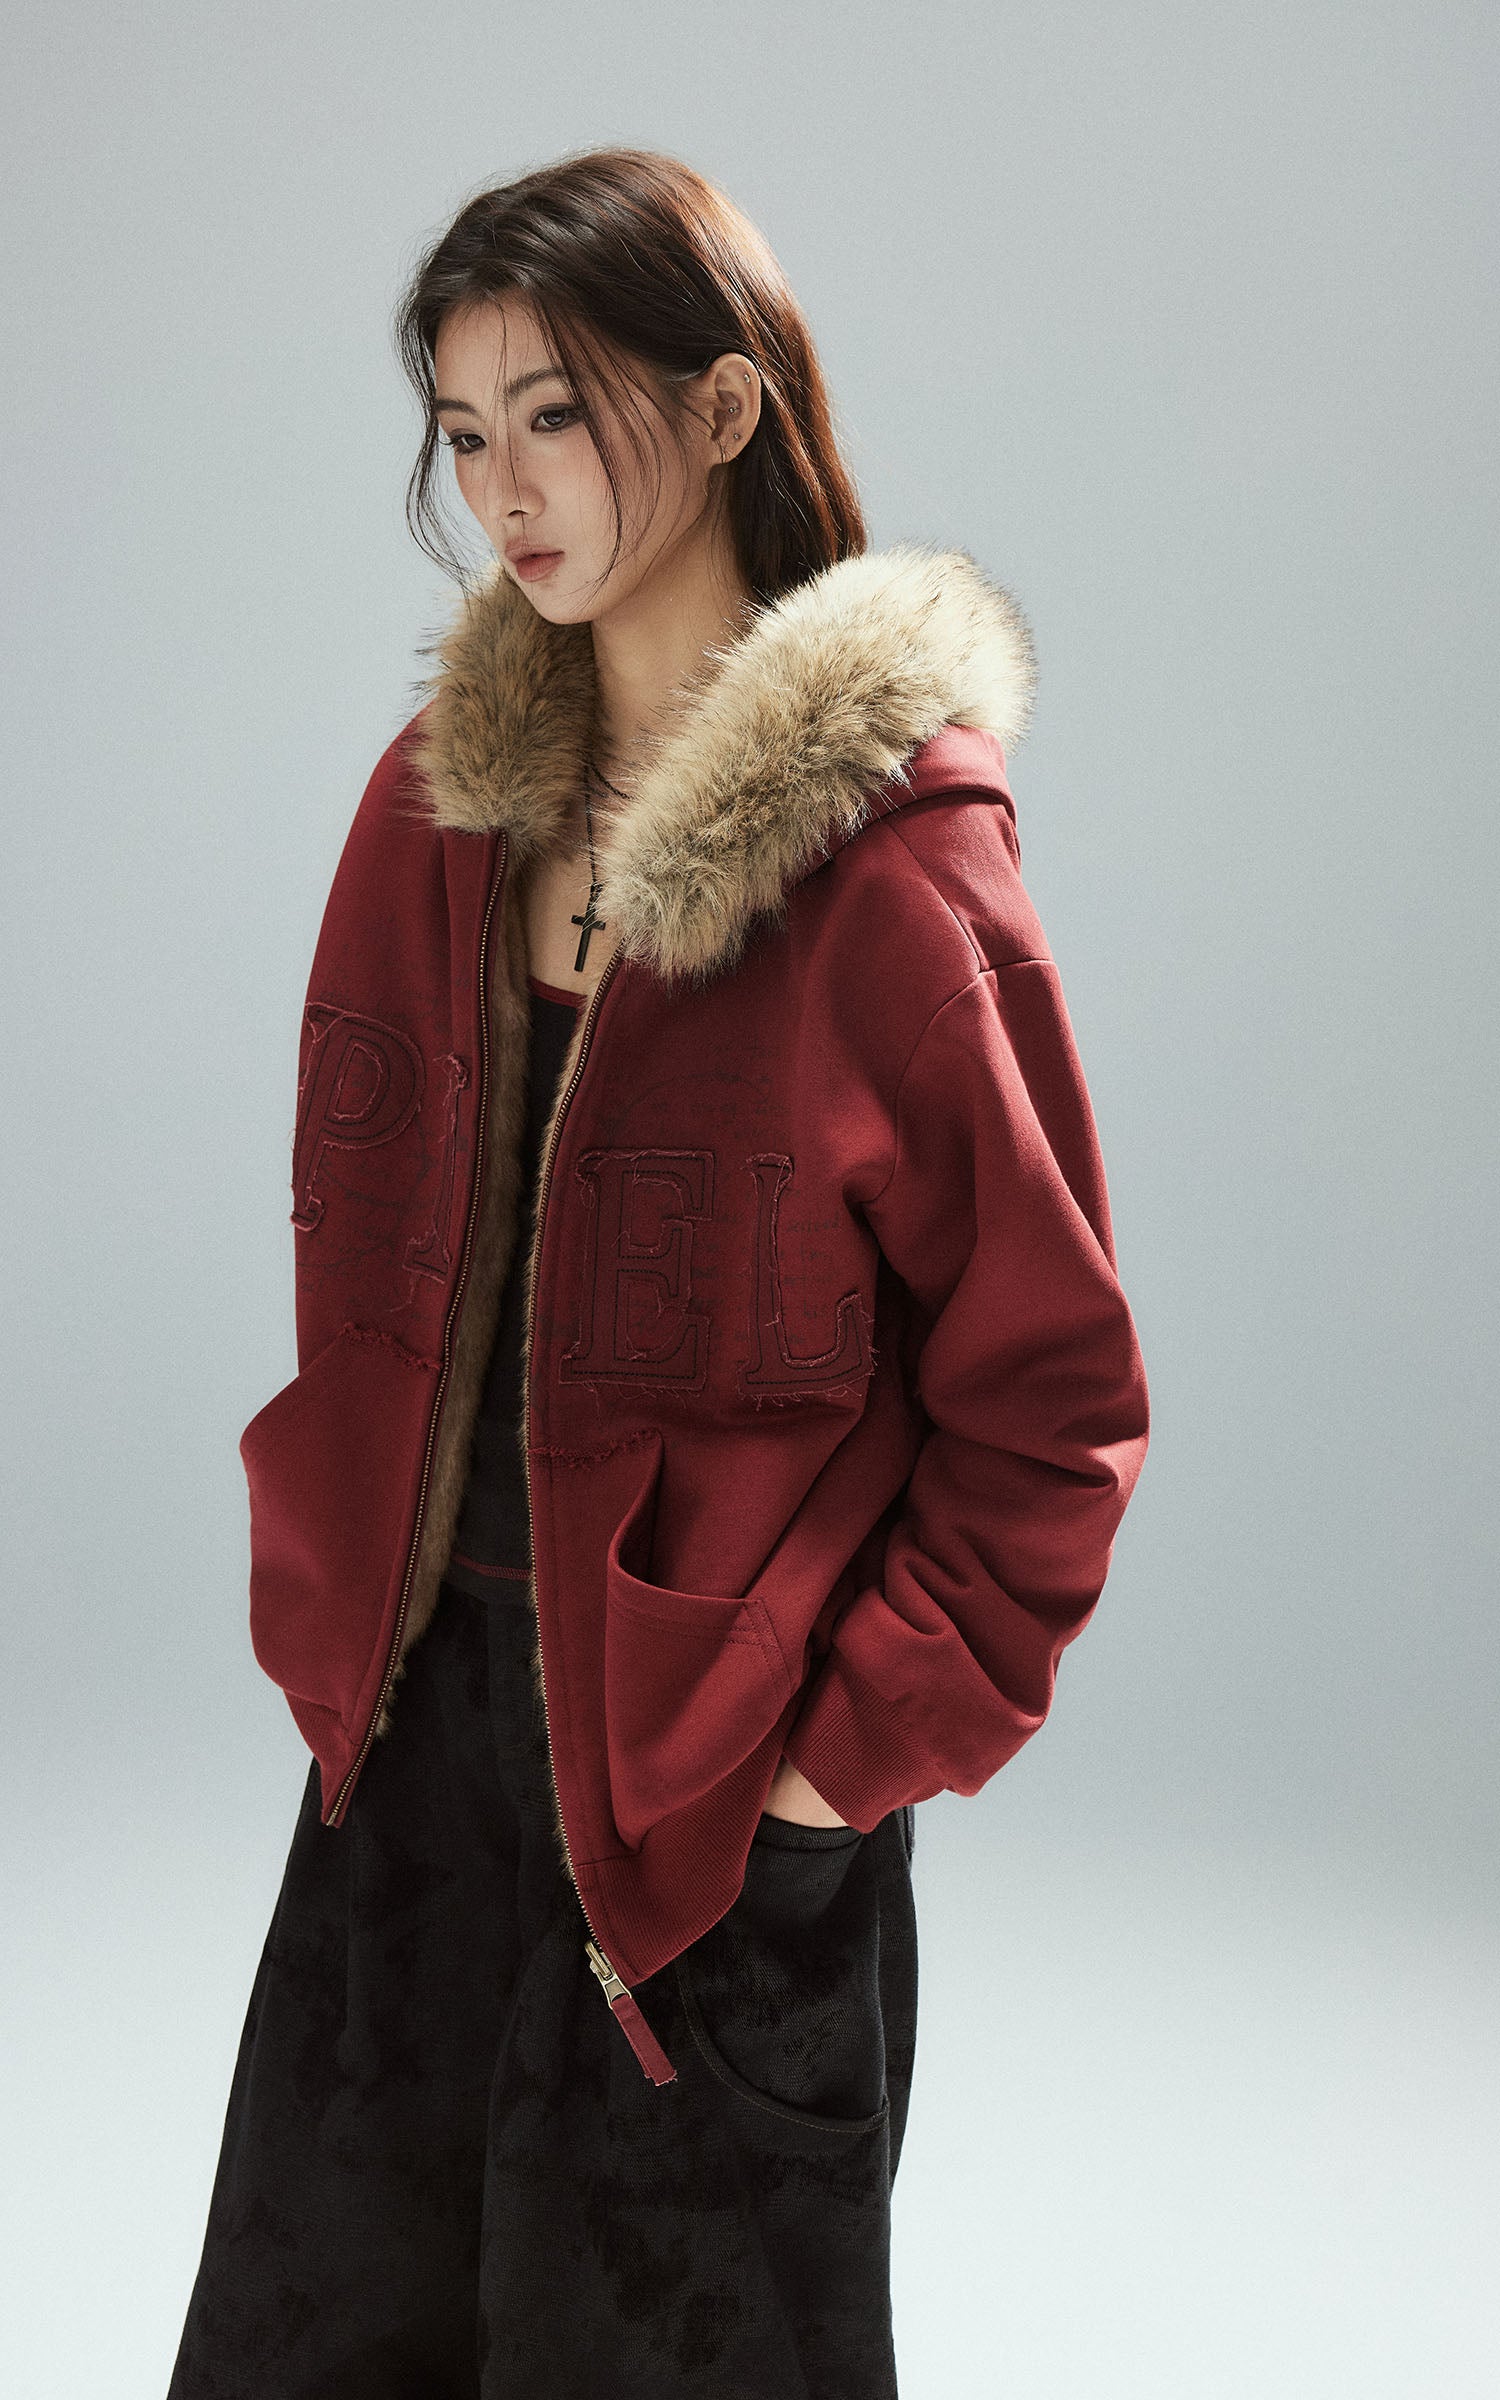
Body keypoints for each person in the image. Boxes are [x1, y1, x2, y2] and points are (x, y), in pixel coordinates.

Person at [167, 144, 1151, 2400]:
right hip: (410, 1765)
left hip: (715, 1811)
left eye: (556, 412)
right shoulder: (432, 814)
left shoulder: (897, 887)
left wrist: (828, 1777)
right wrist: (344, 1625)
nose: (502, 487)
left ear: (722, 410)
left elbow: (1055, 1415)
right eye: (461, 431)